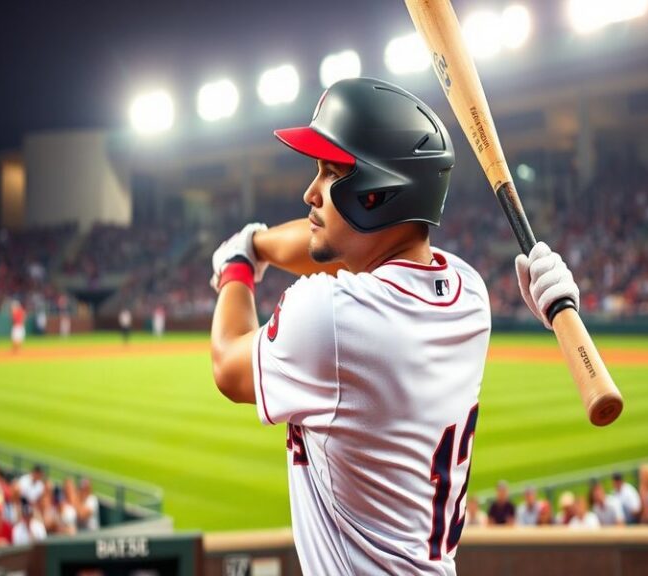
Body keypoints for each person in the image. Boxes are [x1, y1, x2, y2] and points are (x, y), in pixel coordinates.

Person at [208, 77, 581, 575]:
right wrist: (256, 243)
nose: (310, 193)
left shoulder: (329, 321)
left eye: (330, 172)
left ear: (376, 194)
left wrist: (236, 267)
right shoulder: (468, 294)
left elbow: (227, 363)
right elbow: (331, 251)